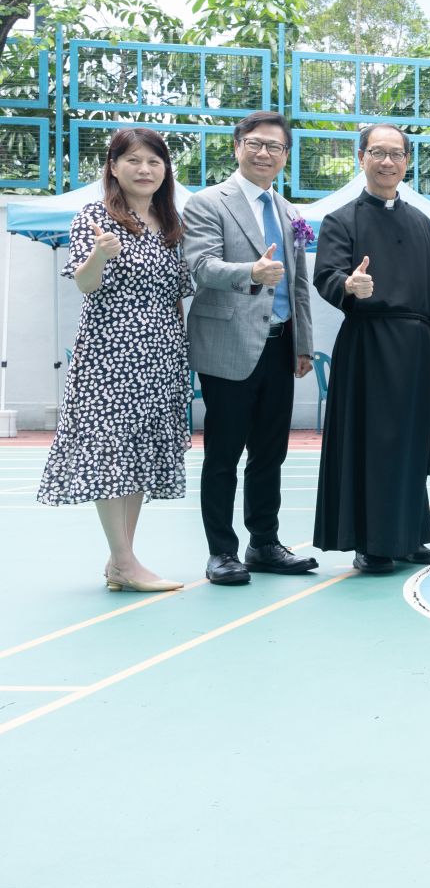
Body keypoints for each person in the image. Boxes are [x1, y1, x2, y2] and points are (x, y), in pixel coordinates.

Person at [39, 128, 195, 591]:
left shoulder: (171, 224)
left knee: (139, 453)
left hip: (162, 355)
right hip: (110, 355)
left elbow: (177, 295)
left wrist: (179, 355)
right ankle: (125, 562)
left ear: (165, 170)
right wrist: (100, 256)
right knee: (110, 452)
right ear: (112, 166)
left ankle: (120, 561)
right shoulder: (95, 216)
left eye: (154, 161)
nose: (144, 169)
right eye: (133, 160)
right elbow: (85, 284)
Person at [183, 111, 319, 586]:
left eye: (275, 147)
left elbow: (298, 283)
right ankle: (221, 552)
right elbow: (200, 266)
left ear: (285, 155)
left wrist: (303, 343)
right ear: (237, 146)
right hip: (228, 345)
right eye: (256, 144)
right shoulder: (207, 202)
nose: (264, 153)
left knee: (269, 453)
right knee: (223, 455)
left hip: (281, 346)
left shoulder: (289, 211)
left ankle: (264, 543)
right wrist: (251, 273)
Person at [312, 124, 430, 574]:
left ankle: (407, 536)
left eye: (396, 154)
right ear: (361, 158)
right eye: (378, 152)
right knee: (371, 442)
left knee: (412, 444)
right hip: (367, 344)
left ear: (407, 161)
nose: (387, 161)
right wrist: (349, 285)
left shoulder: (421, 222)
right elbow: (326, 275)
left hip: (415, 348)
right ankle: (371, 542)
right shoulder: (340, 219)